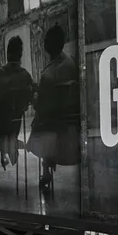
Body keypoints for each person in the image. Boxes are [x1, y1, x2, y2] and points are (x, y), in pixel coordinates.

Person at [27, 25, 81, 189]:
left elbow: (42, 106)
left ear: (47, 46)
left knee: (39, 122)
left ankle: (46, 169)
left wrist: (34, 97)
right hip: (72, 123)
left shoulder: (47, 74)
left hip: (54, 127)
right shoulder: (72, 64)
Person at [0, 36, 35, 192]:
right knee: (8, 127)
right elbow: (31, 98)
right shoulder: (26, 76)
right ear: (20, 54)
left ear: (7, 53)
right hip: (14, 128)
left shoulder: (0, 73)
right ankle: (5, 151)